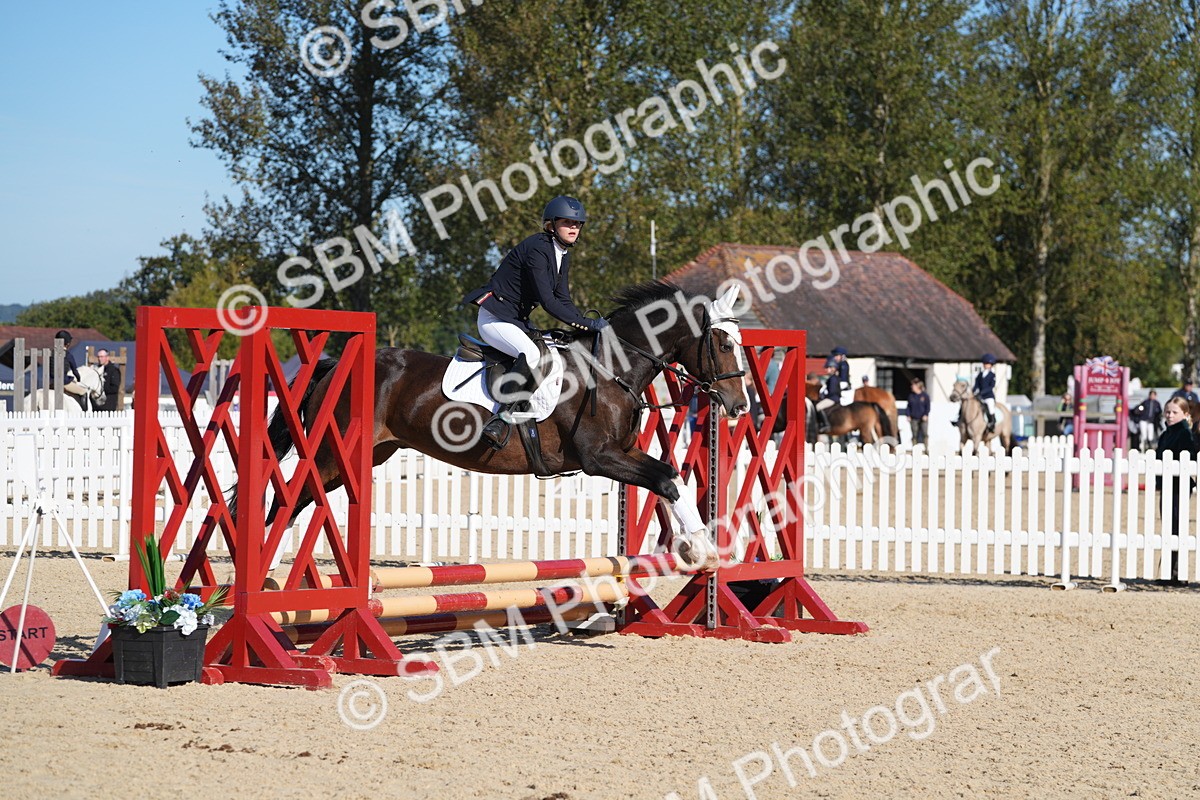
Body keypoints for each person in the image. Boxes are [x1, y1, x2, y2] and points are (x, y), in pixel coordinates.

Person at [462, 195, 609, 449]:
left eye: (578, 224)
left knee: (552, 350)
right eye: (567, 223)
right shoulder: (539, 248)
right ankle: (501, 420)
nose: (574, 228)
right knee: (531, 354)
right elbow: (549, 302)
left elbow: (563, 299)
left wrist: (582, 322)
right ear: (551, 225)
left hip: (516, 321)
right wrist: (587, 326)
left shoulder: (562, 253)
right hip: (494, 319)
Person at [1156, 396, 1198, 585]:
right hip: (1167, 485)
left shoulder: (1184, 433)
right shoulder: (1166, 434)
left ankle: (1177, 573)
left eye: (1174, 412)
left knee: (1177, 527)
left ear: (1185, 414)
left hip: (1178, 487)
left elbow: (1189, 457)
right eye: (1168, 412)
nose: (1170, 415)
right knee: (1168, 527)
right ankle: (1167, 572)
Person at [54, 330, 88, 410]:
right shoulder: (68, 355)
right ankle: (84, 414)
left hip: (50, 382)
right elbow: (75, 371)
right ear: (67, 343)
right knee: (83, 392)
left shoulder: (50, 352)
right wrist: (78, 379)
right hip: (63, 382)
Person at [814, 357, 841, 433]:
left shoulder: (832, 379)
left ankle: (825, 424)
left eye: (828, 368)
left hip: (833, 398)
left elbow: (832, 391)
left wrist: (824, 396)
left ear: (833, 368)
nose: (826, 369)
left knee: (818, 407)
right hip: (833, 397)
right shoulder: (833, 377)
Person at [973, 353, 997, 432]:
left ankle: (992, 422)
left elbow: (991, 387)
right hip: (980, 396)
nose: (986, 365)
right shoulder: (980, 374)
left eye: (987, 364)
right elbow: (976, 384)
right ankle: (958, 418)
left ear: (991, 365)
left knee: (990, 407)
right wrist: (974, 391)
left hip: (988, 396)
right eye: (985, 363)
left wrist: (982, 392)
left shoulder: (992, 375)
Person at [907, 378, 930, 446]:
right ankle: (914, 447)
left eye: (913, 385)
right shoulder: (911, 396)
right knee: (914, 434)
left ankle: (926, 448)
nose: (912, 387)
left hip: (923, 418)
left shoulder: (925, 396)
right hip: (914, 418)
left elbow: (927, 407)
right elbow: (908, 407)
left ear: (917, 386)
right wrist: (908, 415)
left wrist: (926, 414)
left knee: (925, 434)